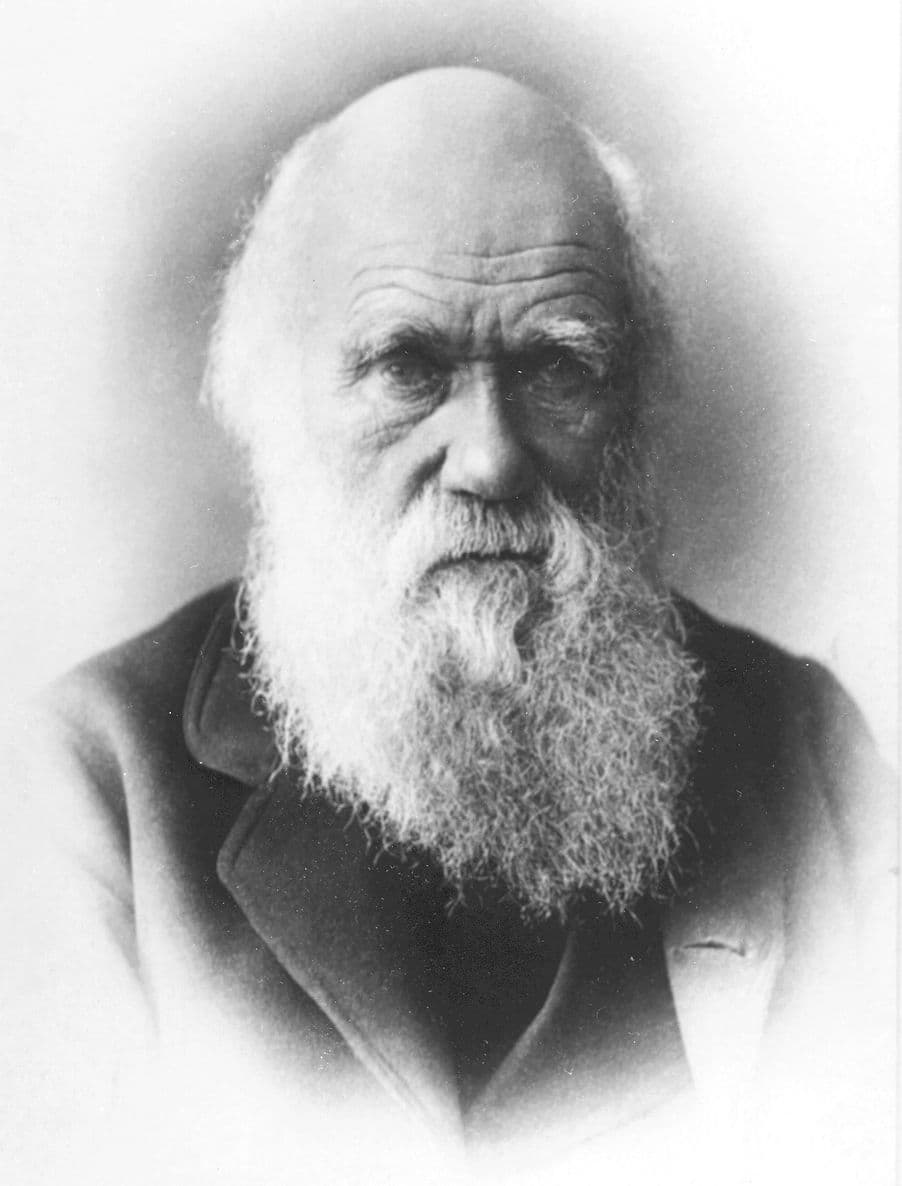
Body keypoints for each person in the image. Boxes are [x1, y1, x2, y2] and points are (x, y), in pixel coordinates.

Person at [5, 67, 894, 1185]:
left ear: (630, 399)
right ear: (272, 395)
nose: (489, 458)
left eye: (555, 366)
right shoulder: (80, 791)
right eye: (407, 367)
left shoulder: (811, 759)